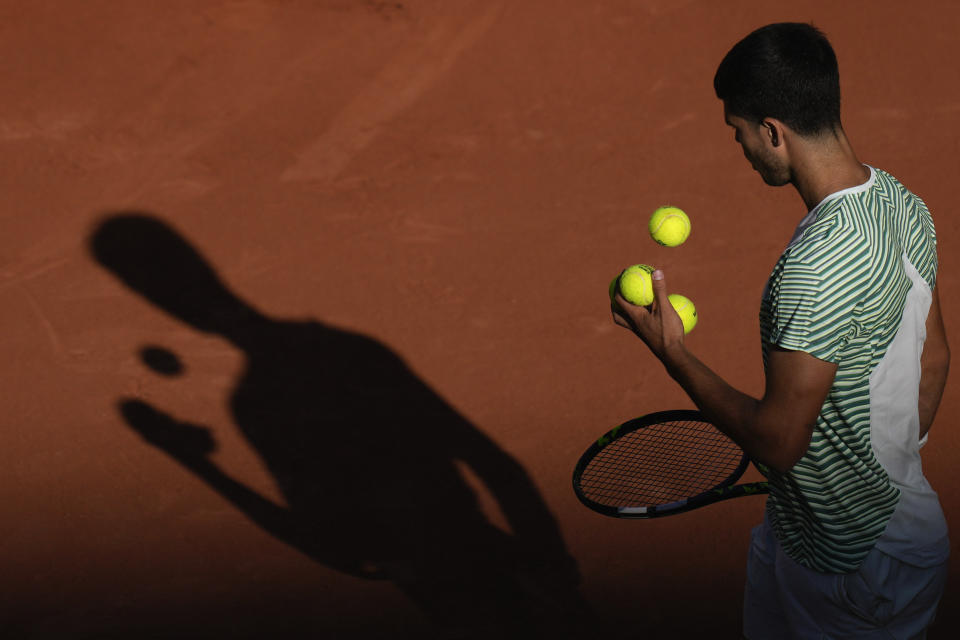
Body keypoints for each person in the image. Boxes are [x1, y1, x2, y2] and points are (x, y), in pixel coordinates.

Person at [612, 22, 950, 638]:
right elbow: (934, 361)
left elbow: (778, 442)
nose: (739, 146)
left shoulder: (814, 269)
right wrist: (882, 466)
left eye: (738, 131)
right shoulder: (904, 203)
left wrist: (673, 354)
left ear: (772, 132)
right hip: (808, 534)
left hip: (855, 570)